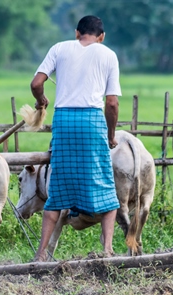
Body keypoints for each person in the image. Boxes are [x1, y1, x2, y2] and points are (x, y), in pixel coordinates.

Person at [30, 15, 121, 262]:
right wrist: (110, 136)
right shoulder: (108, 55)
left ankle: (40, 255)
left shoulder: (59, 48)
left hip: (64, 122)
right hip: (91, 122)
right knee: (105, 187)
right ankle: (107, 251)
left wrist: (41, 101)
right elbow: (111, 103)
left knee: (58, 188)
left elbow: (36, 83)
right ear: (101, 37)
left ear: (76, 33)